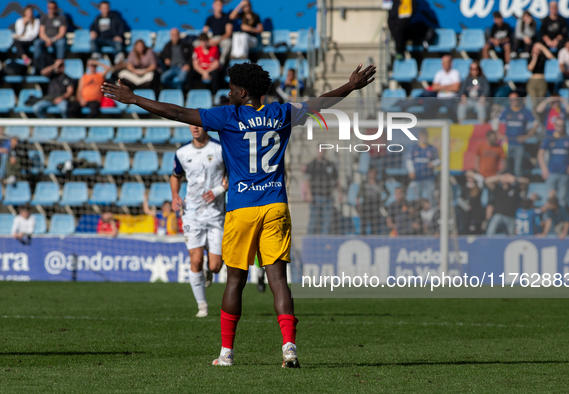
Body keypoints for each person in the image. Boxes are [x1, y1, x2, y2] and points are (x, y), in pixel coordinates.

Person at [102, 60, 376, 368]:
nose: (228, 92)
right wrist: (350, 86)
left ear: (242, 92)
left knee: (235, 280)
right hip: (275, 205)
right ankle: (289, 348)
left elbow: (178, 113)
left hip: (242, 208)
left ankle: (226, 354)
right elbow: (319, 104)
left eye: (232, 88)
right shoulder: (282, 112)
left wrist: (135, 98)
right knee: (278, 280)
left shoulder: (228, 116)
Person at [171, 125, 226, 316]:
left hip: (215, 213)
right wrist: (175, 195)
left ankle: (209, 270)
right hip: (191, 213)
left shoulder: (220, 149)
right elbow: (175, 176)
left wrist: (219, 190)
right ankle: (202, 306)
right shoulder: (182, 152)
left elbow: (232, 175)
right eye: (191, 124)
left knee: (215, 266)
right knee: (195, 260)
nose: (195, 127)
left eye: (198, 124)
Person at [538, 117, 569, 207]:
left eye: (562, 126)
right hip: (551, 172)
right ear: (555, 126)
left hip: (564, 173)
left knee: (562, 198)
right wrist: (543, 168)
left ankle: (562, 218)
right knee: (550, 198)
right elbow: (540, 153)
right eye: (558, 126)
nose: (560, 128)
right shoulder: (549, 138)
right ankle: (550, 219)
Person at [497, 92, 538, 177]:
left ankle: (518, 187)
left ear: (519, 100)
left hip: (519, 143)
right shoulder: (507, 110)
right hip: (508, 143)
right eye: (511, 100)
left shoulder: (525, 111)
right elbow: (496, 122)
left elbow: (536, 124)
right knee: (507, 167)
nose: (514, 102)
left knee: (518, 169)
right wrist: (499, 134)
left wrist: (527, 136)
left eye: (515, 99)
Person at [303, 150, 341, 235]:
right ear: (317, 151)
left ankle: (323, 242)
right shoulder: (312, 164)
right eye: (320, 150)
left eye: (324, 150)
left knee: (326, 222)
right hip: (315, 197)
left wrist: (340, 193)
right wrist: (308, 194)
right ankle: (309, 241)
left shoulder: (330, 164)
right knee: (314, 221)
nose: (322, 152)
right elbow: (306, 180)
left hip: (328, 197)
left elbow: (336, 180)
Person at [405, 128, 439, 205]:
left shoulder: (432, 148)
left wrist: (433, 163)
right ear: (419, 137)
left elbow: (438, 160)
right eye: (422, 136)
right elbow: (409, 160)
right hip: (417, 177)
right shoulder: (414, 148)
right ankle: (418, 213)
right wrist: (411, 171)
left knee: (431, 196)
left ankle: (432, 212)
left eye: (425, 136)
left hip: (429, 177)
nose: (423, 138)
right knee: (417, 197)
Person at [527, 43, 554, 122]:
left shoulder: (543, 58)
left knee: (541, 103)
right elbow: (530, 68)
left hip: (541, 80)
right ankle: (537, 121)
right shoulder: (530, 58)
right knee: (534, 103)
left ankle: (540, 120)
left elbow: (551, 57)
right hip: (533, 81)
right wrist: (534, 57)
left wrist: (542, 47)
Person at [203, 0, 233, 65]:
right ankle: (205, 63)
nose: (219, 6)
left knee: (228, 43)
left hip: (223, 38)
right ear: (213, 5)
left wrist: (218, 40)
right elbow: (204, 32)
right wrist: (209, 40)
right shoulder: (209, 18)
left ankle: (221, 63)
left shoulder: (227, 17)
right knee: (198, 43)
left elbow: (228, 33)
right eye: (217, 5)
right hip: (213, 38)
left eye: (221, 4)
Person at [456, 170, 485, 235]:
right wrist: (465, 206)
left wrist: (472, 174)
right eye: (468, 177)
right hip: (465, 214)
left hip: (476, 213)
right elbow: (459, 199)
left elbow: (481, 179)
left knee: (477, 231)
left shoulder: (478, 186)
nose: (469, 178)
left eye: (470, 176)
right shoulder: (464, 186)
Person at [356, 167, 383, 235]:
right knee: (363, 227)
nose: (372, 175)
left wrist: (382, 203)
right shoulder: (364, 183)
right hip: (366, 207)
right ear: (368, 174)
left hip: (375, 207)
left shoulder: (380, 183)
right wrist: (358, 207)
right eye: (371, 173)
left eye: (374, 173)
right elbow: (358, 196)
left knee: (374, 228)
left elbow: (387, 193)